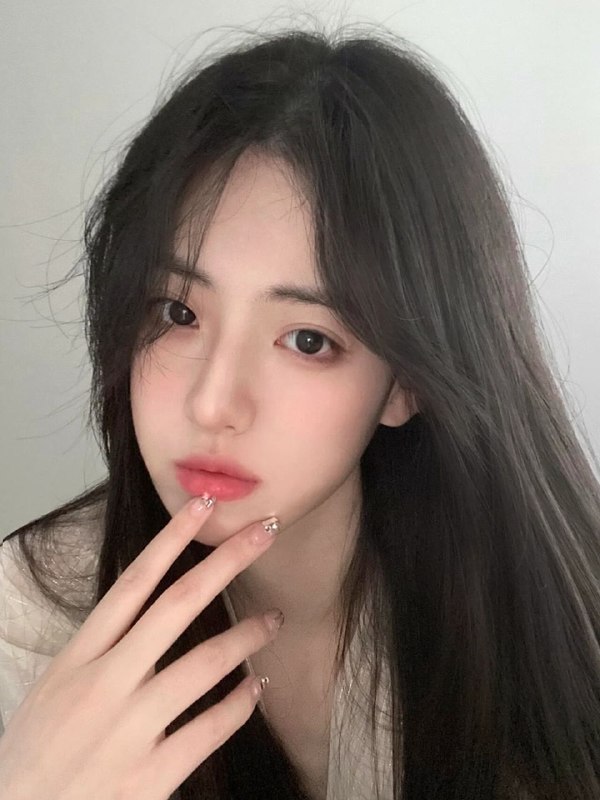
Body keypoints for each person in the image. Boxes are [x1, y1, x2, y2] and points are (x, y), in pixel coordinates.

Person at [0, 22, 599, 800]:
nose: (213, 403)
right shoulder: (27, 625)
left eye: (308, 340)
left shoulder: (545, 633)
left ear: (405, 382)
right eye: (178, 313)